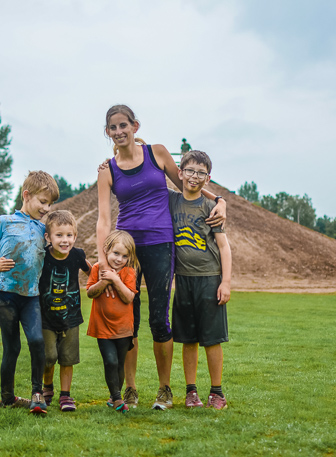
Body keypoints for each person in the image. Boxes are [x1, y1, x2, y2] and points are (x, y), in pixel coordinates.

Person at [96, 104, 227, 410]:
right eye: (112, 128)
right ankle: (130, 389)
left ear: (135, 126)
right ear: (108, 133)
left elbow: (188, 184)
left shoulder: (157, 153)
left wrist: (219, 199)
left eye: (123, 126)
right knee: (128, 320)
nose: (118, 132)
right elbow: (104, 219)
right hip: (125, 249)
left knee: (158, 318)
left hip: (160, 244)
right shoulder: (107, 171)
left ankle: (164, 389)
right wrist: (103, 260)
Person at [0, 171, 59, 413]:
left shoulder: (42, 228)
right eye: (43, 202)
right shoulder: (4, 222)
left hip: (31, 296)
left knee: (37, 341)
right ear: (26, 195)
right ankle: (7, 397)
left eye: (50, 204)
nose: (46, 208)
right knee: (12, 348)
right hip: (5, 295)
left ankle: (37, 394)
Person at [168, 150, 232, 410]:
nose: (195, 176)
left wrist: (225, 282)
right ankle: (191, 392)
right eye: (190, 171)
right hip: (183, 280)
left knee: (212, 339)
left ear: (208, 178)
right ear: (180, 173)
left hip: (209, 279)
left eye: (201, 173)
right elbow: (152, 166)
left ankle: (216, 393)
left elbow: (224, 247)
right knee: (188, 339)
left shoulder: (211, 208)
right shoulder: (171, 200)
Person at [38, 210, 92, 412]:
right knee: (49, 356)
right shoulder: (42, 257)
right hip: (46, 317)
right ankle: (47, 386)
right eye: (59, 235)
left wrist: (100, 283)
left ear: (75, 237)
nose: (64, 240)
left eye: (69, 235)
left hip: (71, 317)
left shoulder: (77, 255)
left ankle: (65, 395)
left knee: (68, 358)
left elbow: (91, 271)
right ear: (48, 238)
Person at [86, 230, 138, 413]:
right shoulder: (97, 269)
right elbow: (90, 292)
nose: (119, 259)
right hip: (102, 326)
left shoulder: (129, 272)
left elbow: (128, 297)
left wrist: (115, 280)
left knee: (119, 362)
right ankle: (117, 399)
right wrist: (104, 281)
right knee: (109, 361)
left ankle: (113, 396)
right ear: (106, 250)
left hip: (123, 328)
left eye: (124, 256)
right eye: (116, 253)